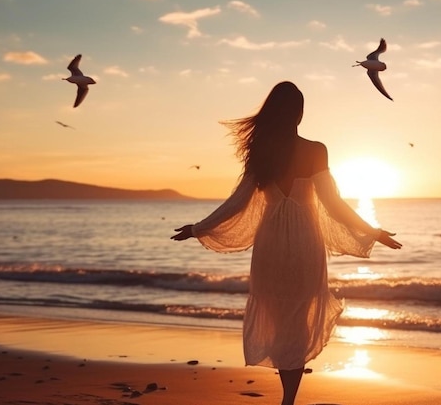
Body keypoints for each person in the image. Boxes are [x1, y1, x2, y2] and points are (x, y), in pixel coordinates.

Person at [171, 81, 402, 405]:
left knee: (280, 321)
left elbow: (236, 203)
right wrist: (372, 231)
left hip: (271, 246)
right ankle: (288, 399)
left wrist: (199, 228)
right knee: (299, 321)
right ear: (298, 112)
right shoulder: (315, 150)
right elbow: (333, 205)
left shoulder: (261, 154)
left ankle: (287, 397)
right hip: (305, 244)